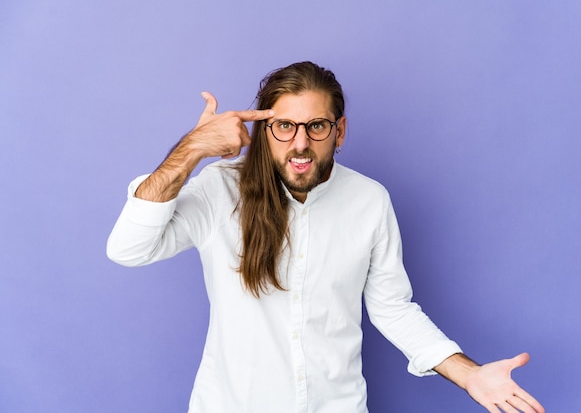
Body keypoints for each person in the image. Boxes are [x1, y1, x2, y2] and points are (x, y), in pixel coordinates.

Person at [107, 61, 544, 413]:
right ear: (263, 131)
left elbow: (393, 309)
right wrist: (193, 149)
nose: (300, 143)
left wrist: (469, 374)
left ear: (340, 131)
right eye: (284, 126)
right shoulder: (219, 191)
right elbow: (128, 248)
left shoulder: (370, 200)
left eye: (316, 126)